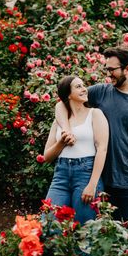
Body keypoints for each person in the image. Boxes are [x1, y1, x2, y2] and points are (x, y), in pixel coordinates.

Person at [55, 46, 128, 222]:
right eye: (107, 69)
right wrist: (66, 128)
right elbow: (62, 103)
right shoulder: (100, 92)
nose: (108, 74)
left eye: (112, 70)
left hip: (127, 181)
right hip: (96, 179)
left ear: (127, 69)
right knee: (95, 235)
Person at [43, 75, 109, 225]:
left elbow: (102, 149)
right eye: (78, 86)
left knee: (85, 228)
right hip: (61, 175)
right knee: (49, 223)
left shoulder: (95, 114)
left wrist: (92, 185)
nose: (84, 88)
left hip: (86, 173)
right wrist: (62, 142)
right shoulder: (60, 120)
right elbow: (47, 156)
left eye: (83, 85)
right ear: (68, 94)